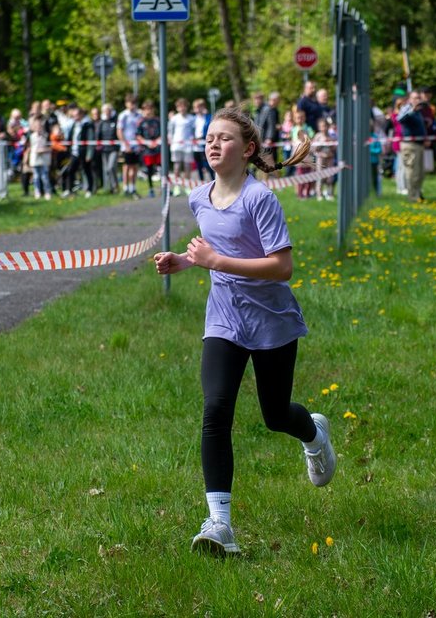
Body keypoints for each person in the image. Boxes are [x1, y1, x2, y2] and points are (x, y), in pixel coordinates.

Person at [153, 107, 334, 557]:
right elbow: (215, 251)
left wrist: (216, 262)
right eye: (209, 138)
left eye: (225, 139)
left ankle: (313, 434)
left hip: (270, 321)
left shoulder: (260, 199)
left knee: (275, 415)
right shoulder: (199, 197)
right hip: (224, 320)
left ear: (248, 150)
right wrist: (186, 260)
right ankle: (220, 524)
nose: (213, 144)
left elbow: (282, 266)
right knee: (215, 410)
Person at [397, 90, 427, 202]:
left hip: (418, 144)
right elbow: (400, 119)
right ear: (409, 99)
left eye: (419, 97)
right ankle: (412, 196)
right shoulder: (407, 108)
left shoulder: (419, 111)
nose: (417, 100)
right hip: (410, 145)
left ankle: (417, 193)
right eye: (414, 98)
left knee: (419, 173)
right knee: (412, 172)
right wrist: (411, 111)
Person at [117, 94, 143, 197]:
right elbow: (119, 130)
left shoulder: (139, 115)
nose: (132, 105)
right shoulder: (123, 115)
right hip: (126, 145)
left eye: (134, 103)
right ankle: (125, 187)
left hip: (136, 145)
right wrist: (125, 144)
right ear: (126, 104)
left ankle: (133, 187)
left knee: (135, 167)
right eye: (130, 103)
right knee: (126, 167)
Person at [136, 101, 162, 198]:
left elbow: (163, 132)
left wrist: (156, 141)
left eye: (150, 109)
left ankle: (163, 188)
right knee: (149, 170)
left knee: (161, 169)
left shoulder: (158, 121)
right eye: (146, 109)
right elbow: (138, 135)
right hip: (147, 150)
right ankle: (151, 189)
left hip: (158, 148)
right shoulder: (141, 122)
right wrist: (147, 142)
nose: (148, 111)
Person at [169, 98, 194, 195]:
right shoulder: (174, 118)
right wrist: (171, 141)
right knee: (177, 166)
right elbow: (170, 131)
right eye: (180, 106)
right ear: (177, 108)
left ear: (186, 107)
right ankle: (177, 186)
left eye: (184, 106)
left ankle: (187, 185)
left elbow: (193, 131)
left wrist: (193, 140)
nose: (182, 108)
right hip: (176, 145)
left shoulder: (191, 118)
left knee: (187, 166)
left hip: (188, 145)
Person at [27, 114, 52, 201]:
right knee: (36, 177)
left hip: (44, 159)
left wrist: (44, 150)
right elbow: (30, 147)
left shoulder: (46, 135)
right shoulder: (31, 136)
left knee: (44, 177)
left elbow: (50, 146)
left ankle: (47, 192)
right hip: (35, 159)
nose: (38, 128)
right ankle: (37, 191)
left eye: (40, 126)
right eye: (36, 126)